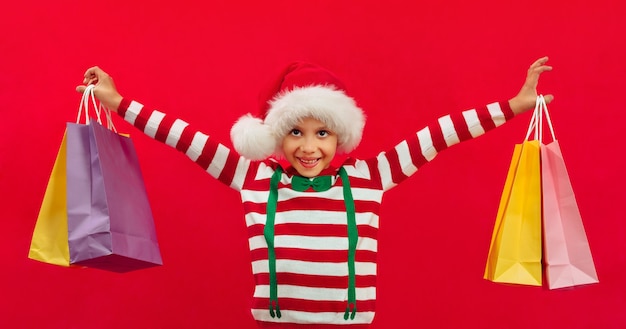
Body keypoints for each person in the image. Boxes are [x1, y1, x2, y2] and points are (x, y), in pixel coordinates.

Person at [76, 57, 553, 328]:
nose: (308, 147)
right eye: (296, 132)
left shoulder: (371, 176)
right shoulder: (254, 177)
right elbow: (183, 137)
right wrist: (118, 103)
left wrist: (513, 105)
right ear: (275, 137)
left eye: (322, 133)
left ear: (341, 137)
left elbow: (441, 133)